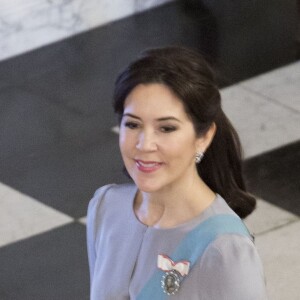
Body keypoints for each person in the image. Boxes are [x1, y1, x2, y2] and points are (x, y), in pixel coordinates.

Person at [86, 46, 268, 299]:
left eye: (167, 128)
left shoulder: (226, 249)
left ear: (204, 137)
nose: (144, 144)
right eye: (133, 124)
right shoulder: (106, 208)